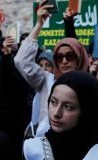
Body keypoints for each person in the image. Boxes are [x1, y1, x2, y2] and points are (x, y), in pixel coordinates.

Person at [14, 0, 88, 137]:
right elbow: (21, 61)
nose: (64, 61)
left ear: (79, 58)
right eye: (59, 57)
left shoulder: (90, 85)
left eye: (70, 56)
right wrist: (39, 24)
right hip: (48, 145)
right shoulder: (47, 81)